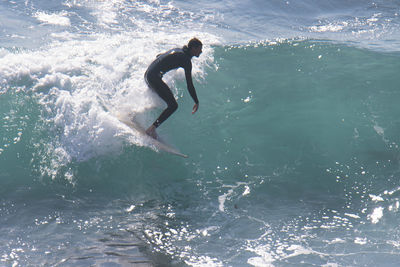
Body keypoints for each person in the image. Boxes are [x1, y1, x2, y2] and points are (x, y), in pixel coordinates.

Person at [144, 38, 203, 139]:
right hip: (154, 77)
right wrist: (196, 101)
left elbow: (159, 56)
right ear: (193, 48)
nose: (201, 52)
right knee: (173, 106)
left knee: (160, 99)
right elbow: (189, 84)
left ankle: (138, 114)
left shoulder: (177, 50)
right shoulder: (186, 60)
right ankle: (151, 129)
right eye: (199, 49)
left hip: (148, 74)